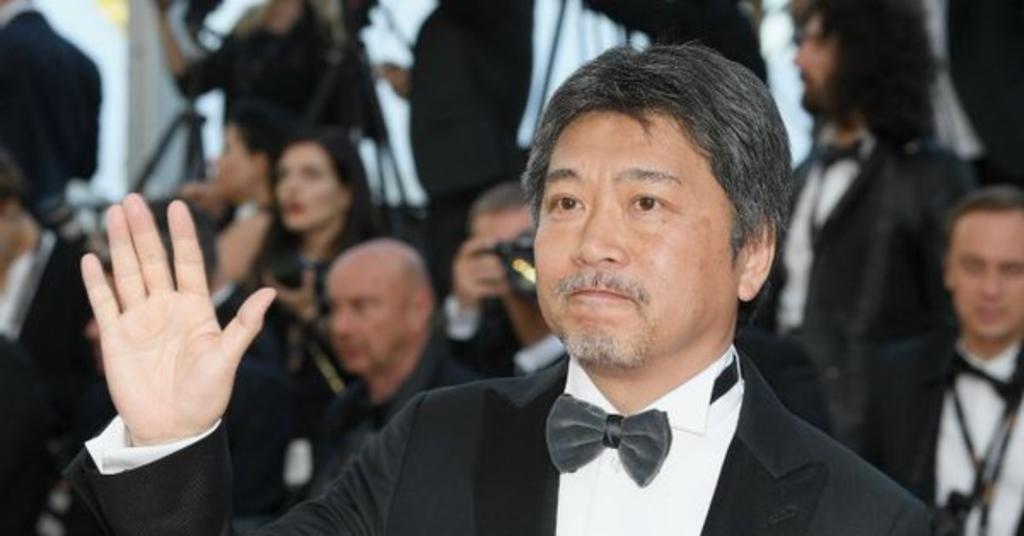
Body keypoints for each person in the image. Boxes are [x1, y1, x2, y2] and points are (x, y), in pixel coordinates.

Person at [68, 45, 927, 535]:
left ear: (754, 253)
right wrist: (168, 442)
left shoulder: (867, 519)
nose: (593, 242)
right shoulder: (434, 441)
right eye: (566, 202)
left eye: (646, 203)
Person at [762, 0, 975, 447]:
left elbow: (954, 320)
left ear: (861, 50)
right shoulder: (802, 175)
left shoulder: (931, 176)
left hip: (878, 436)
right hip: (780, 416)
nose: (798, 60)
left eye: (815, 43)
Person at [864, 186, 1024, 536]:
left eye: (1012, 270)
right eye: (974, 267)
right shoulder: (895, 375)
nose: (991, 289)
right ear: (947, 270)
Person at [309, 238, 476, 497]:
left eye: (362, 306)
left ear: (418, 308)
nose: (340, 327)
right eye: (333, 308)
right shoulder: (344, 410)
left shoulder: (464, 407)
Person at [252, 129, 381, 443]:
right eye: (283, 175)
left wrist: (311, 315)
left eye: (311, 175)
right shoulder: (268, 267)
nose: (291, 187)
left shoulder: (376, 268)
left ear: (346, 192)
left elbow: (379, 367)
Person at [153, 0, 352, 125]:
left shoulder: (326, 38)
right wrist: (162, 17)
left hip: (293, 169)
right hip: (242, 167)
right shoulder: (249, 28)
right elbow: (190, 82)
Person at [447, 181, 564, 377]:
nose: (519, 262)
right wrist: (465, 312)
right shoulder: (491, 350)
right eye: (502, 251)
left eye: (527, 243)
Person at [0, 0, 101, 221]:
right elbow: (88, 167)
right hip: (64, 219)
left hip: (10, 219)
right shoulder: (83, 63)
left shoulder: (5, 50)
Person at [179, 100, 295, 291]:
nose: (216, 161)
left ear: (259, 161)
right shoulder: (246, 217)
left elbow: (202, 287)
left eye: (226, 149)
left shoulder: (260, 225)